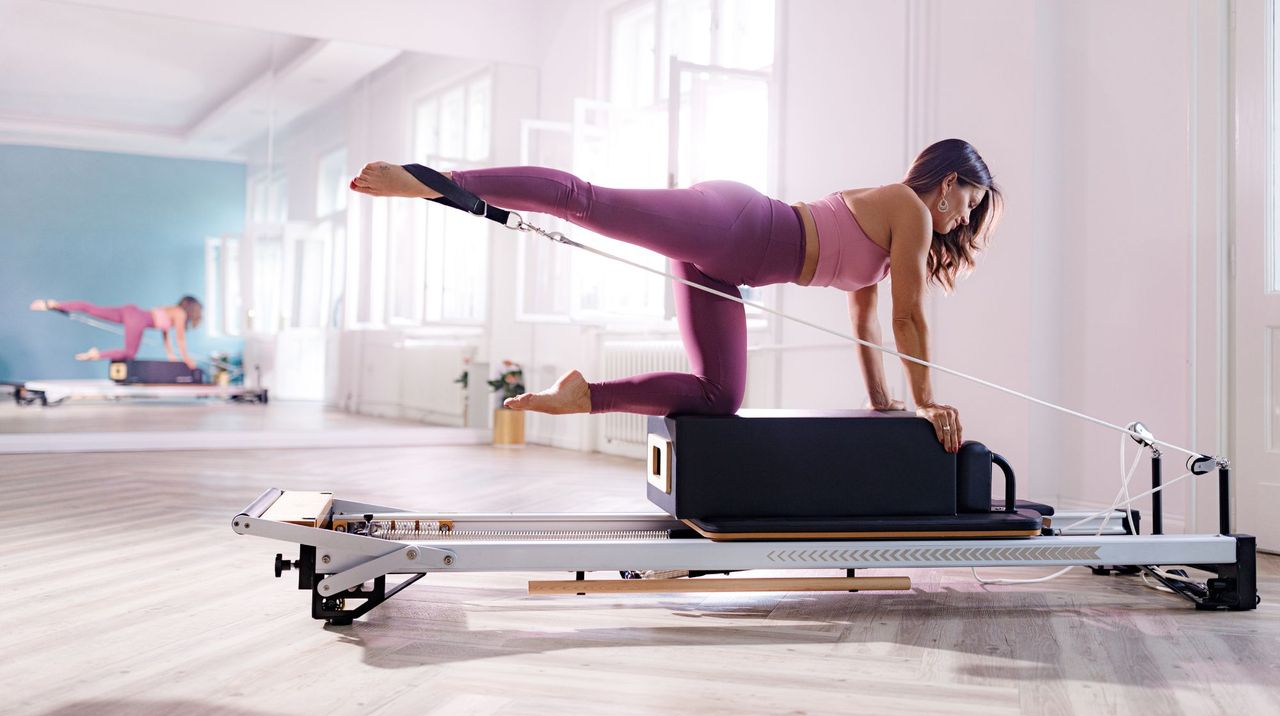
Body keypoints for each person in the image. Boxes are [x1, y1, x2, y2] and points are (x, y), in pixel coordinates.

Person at [350, 139, 1002, 453]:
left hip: (725, 269)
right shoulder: (910, 212)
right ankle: (437, 181)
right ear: (947, 185)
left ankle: (585, 396)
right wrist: (930, 402)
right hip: (732, 223)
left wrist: (886, 402)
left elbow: (870, 323)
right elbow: (910, 316)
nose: (960, 222)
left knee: (722, 398)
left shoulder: (889, 244)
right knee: (586, 201)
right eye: (966, 206)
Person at [30, 296, 203, 369]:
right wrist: (187, 359)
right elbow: (180, 338)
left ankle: (53, 304)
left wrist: (171, 356)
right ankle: (97, 354)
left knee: (92, 309)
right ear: (192, 309)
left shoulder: (171, 310)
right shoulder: (180, 314)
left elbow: (167, 336)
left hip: (130, 312)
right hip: (137, 319)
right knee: (129, 353)